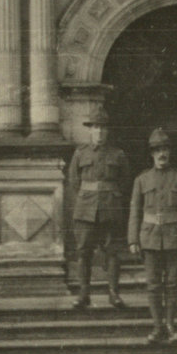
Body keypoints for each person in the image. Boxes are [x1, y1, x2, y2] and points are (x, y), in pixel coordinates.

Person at [128, 128, 177, 344]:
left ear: (170, 152)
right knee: (153, 284)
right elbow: (135, 211)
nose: (161, 154)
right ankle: (158, 327)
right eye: (157, 150)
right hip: (149, 238)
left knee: (173, 283)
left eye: (164, 149)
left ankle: (171, 326)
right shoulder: (142, 180)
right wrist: (132, 239)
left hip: (175, 237)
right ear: (152, 154)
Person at [67, 105, 130, 309]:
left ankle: (113, 293)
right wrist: (89, 197)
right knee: (84, 252)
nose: (100, 132)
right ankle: (84, 294)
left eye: (103, 128)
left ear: (107, 130)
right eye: (96, 127)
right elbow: (74, 181)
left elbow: (125, 181)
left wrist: (110, 196)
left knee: (112, 252)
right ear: (90, 130)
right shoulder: (80, 153)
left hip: (110, 210)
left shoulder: (118, 154)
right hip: (86, 210)